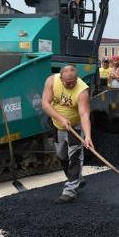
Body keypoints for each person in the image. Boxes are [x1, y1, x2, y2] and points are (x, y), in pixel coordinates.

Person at [41, 65, 94, 204]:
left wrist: (87, 136)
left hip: (75, 127)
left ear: (77, 78)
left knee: (75, 156)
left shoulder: (82, 90)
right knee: (61, 155)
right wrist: (61, 119)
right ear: (61, 77)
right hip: (57, 125)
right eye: (67, 83)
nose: (71, 85)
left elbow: (84, 114)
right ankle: (77, 178)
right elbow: (45, 104)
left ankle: (69, 191)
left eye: (73, 82)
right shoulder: (52, 81)